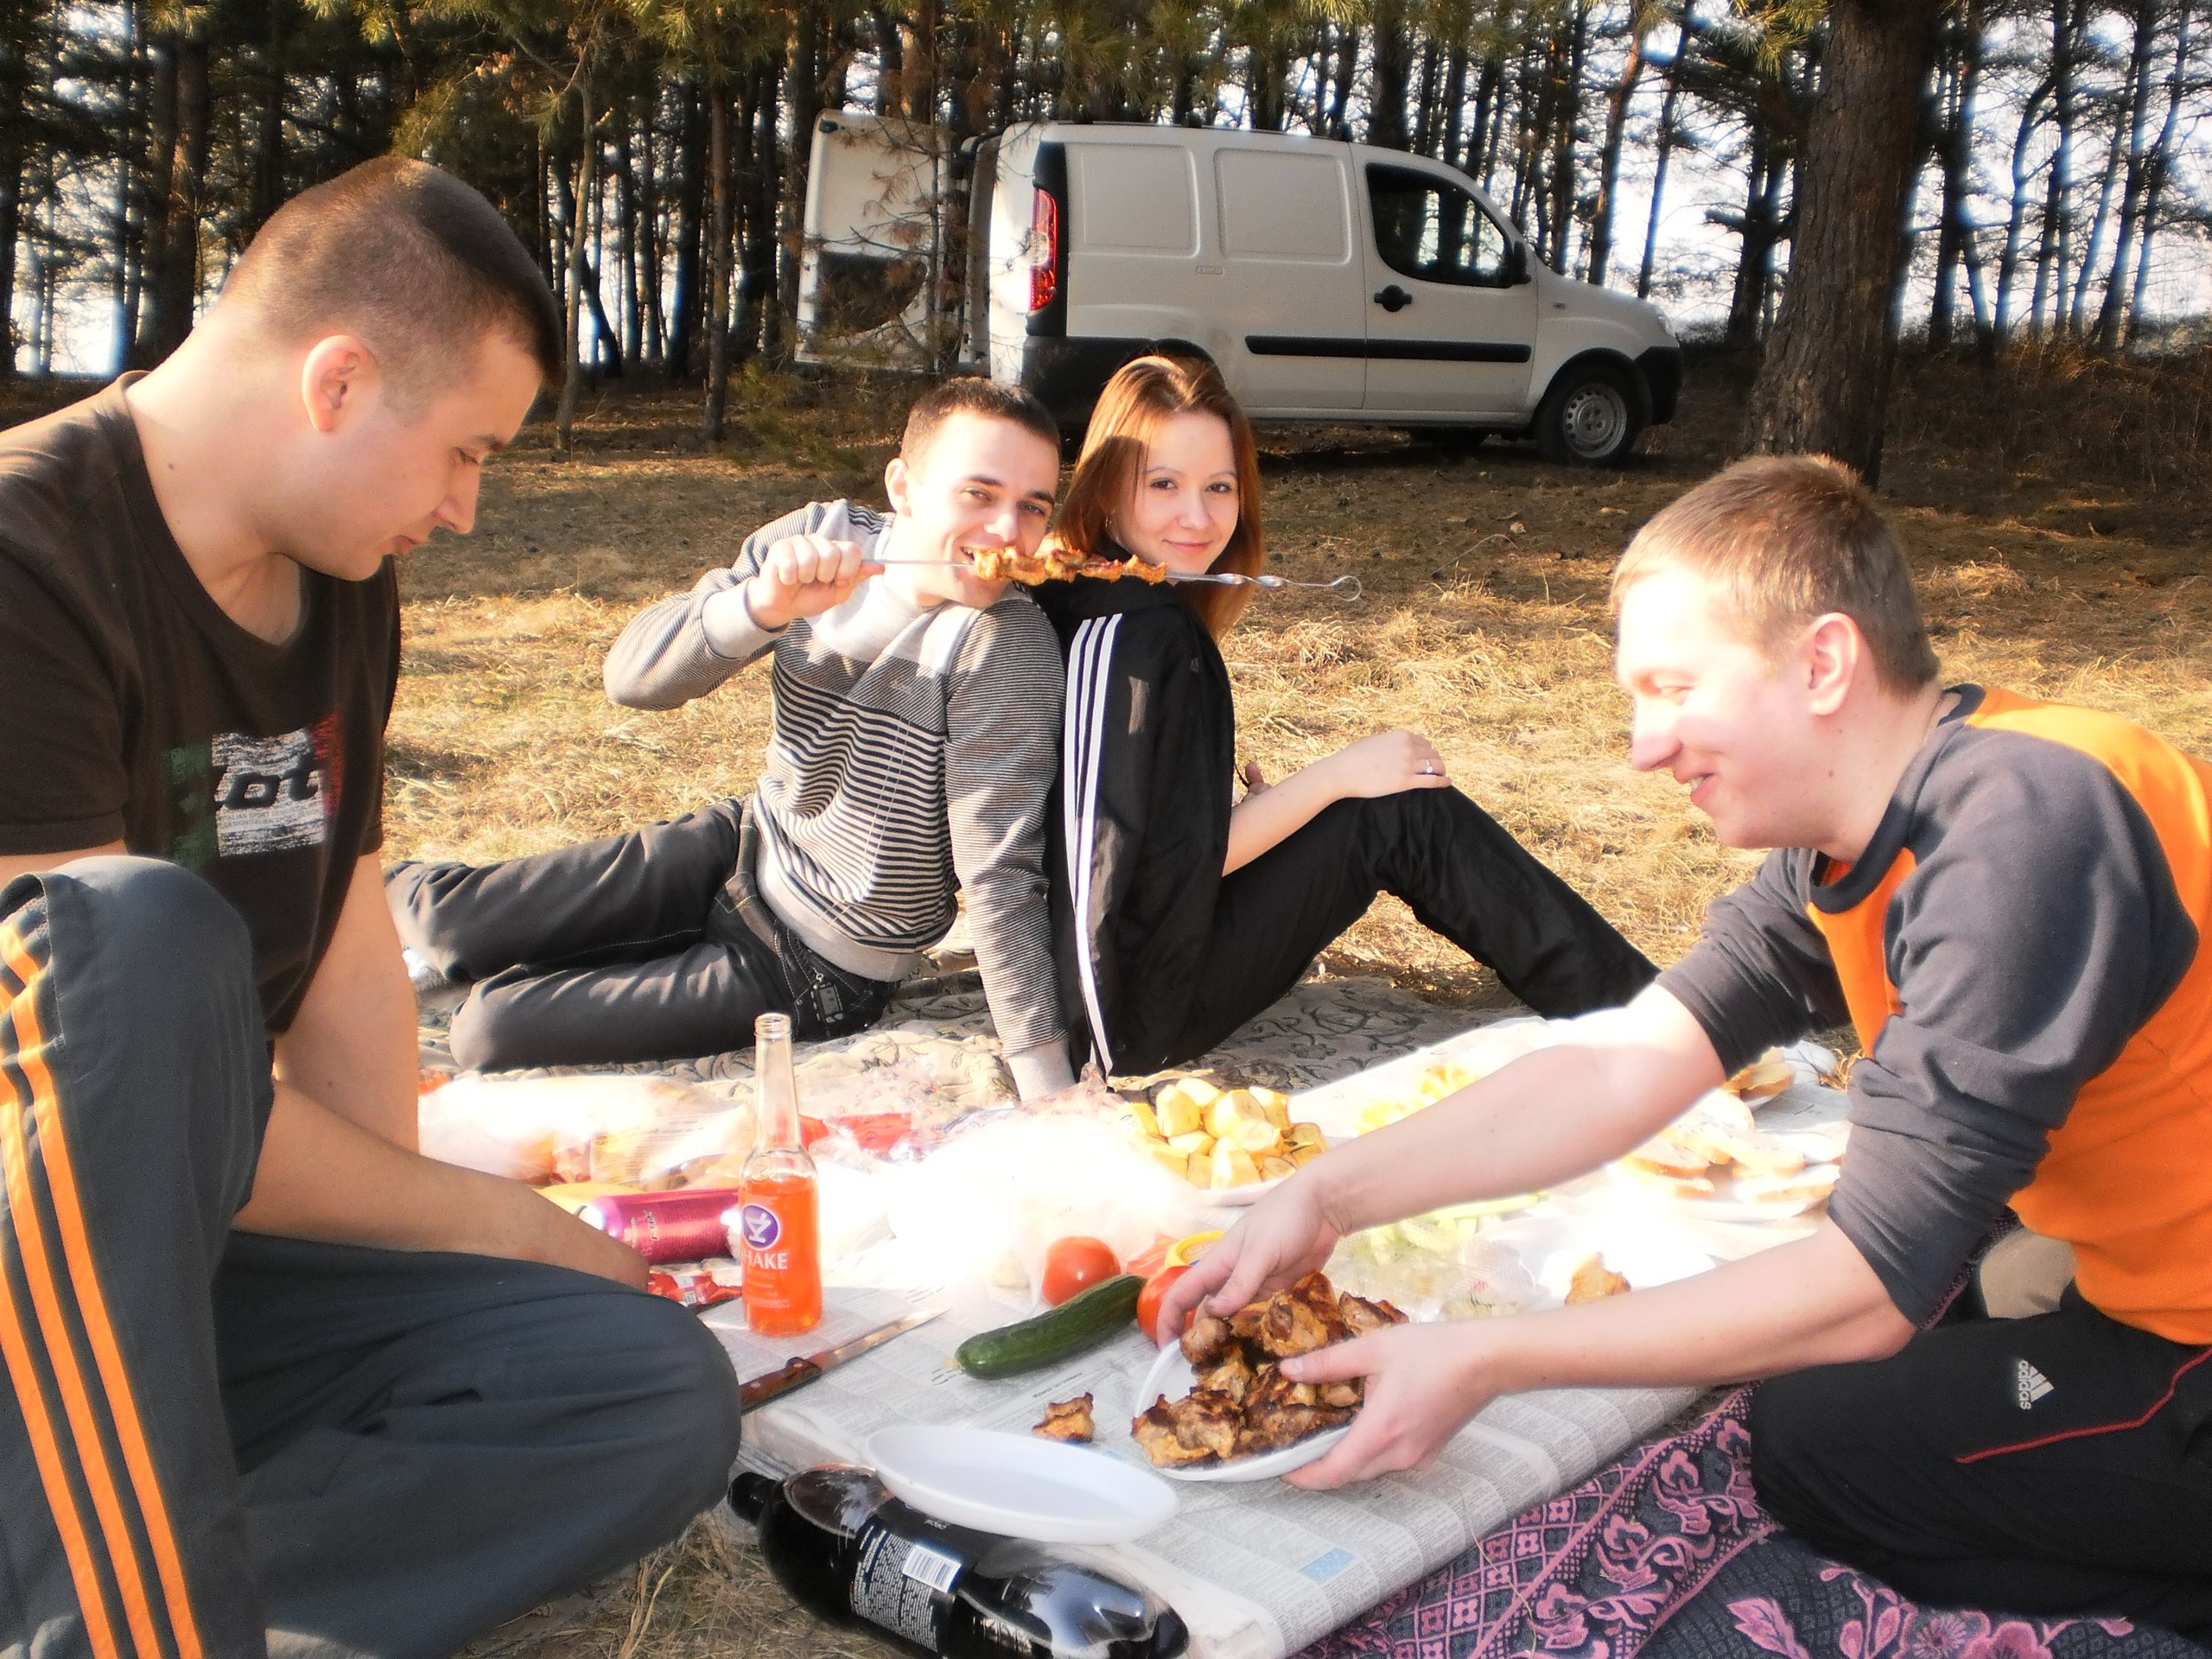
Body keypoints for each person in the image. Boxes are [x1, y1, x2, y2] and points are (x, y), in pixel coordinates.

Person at [1159, 454, 2212, 1642]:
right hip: (2122, 1262)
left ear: (1823, 664)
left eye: (1672, 689)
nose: (1640, 748)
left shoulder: (2019, 839)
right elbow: (1623, 1065)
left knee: (1813, 1443)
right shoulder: (1866, 825)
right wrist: (1324, 1193)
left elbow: (1865, 1292)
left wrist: (1485, 1357)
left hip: (2189, 1330)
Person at [0, 158, 741, 1659]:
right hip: (33, 1276)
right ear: (336, 383)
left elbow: (342, 940)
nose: (465, 509)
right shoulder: (27, 558)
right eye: (465, 452)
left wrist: (432, 1249)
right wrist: (502, 1223)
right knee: (130, 937)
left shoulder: (342, 572)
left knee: (645, 1387)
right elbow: (93, 1090)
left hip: (188, 1278)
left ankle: (142, 1578)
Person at [385, 379, 1078, 1098]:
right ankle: (353, 901)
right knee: (445, 920)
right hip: (737, 845)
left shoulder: (1005, 646)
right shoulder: (823, 536)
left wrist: (1047, 1085)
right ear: (903, 486)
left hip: (818, 962)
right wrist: (761, 605)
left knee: (488, 1028)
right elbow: (632, 680)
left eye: (1033, 506)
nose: (1008, 531)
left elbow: (999, 870)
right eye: (978, 494)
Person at [1033, 355, 1656, 1077]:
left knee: (1383, 805)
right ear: (1108, 486)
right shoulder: (1138, 634)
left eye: (1219, 487)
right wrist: (1333, 779)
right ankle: (1644, 1020)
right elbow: (1129, 874)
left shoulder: (1090, 593)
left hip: (1130, 968)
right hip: (1129, 1010)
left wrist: (1266, 811)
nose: (1197, 517)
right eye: (1163, 484)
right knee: (1399, 812)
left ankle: (1633, 1008)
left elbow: (1147, 837)